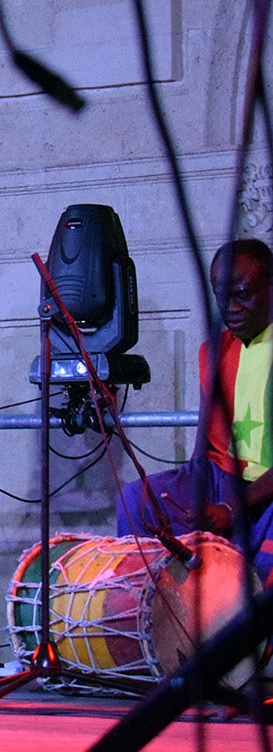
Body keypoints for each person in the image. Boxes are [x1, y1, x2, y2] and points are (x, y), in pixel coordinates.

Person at [117, 239, 273, 584]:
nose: (230, 308)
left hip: (267, 490)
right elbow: (205, 448)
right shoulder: (215, 351)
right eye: (221, 296)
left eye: (242, 295)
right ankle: (144, 617)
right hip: (222, 478)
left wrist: (231, 509)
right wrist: (193, 492)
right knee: (136, 500)